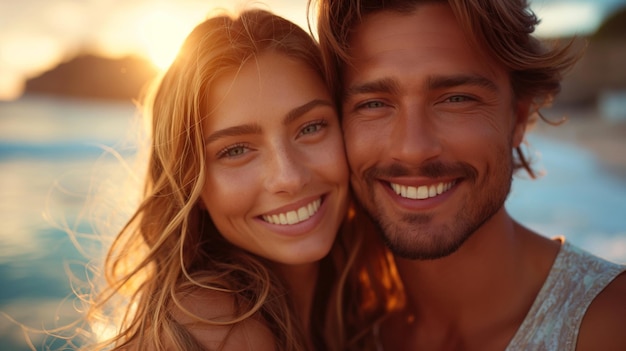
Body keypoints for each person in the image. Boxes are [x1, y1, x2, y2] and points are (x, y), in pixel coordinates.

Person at [312, 0, 626, 350]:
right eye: (373, 104)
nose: (413, 148)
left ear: (518, 117)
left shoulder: (612, 324)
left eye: (456, 99)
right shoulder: (331, 327)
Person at [81, 8, 398, 351]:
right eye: (235, 150)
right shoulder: (213, 329)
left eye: (310, 128)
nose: (289, 178)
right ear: (191, 184)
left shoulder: (358, 306)